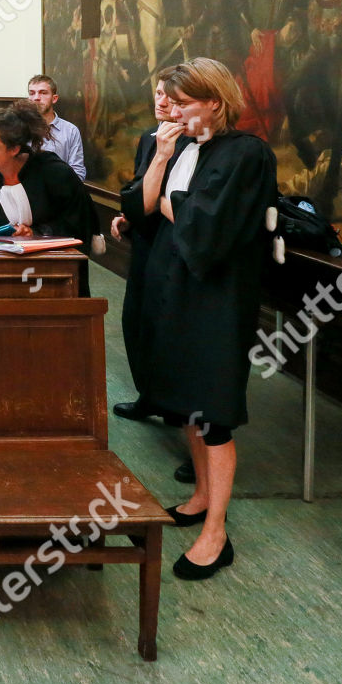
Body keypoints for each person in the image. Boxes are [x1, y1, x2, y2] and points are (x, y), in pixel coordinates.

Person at [132, 57, 277, 580]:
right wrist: (167, 175)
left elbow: (207, 228)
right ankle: (198, 495)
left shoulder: (246, 153)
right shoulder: (182, 148)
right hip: (175, 288)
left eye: (183, 101)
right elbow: (147, 207)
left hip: (217, 297)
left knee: (213, 411)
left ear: (214, 102)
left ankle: (217, 532)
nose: (172, 110)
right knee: (188, 400)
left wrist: (175, 201)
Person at [112, 67, 181, 427]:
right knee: (137, 321)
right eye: (157, 92)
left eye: (170, 94)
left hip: (175, 245)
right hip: (145, 241)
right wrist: (129, 217)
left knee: (169, 329)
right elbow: (141, 189)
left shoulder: (194, 143)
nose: (162, 100)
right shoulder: (148, 137)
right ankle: (149, 397)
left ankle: (182, 416)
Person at [0, 101, 95, 244]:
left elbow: (78, 223)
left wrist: (36, 233)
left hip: (53, 259)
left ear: (14, 149)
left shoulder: (54, 172)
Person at [27, 74, 87, 181]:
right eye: (32, 93)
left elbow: (78, 172)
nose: (36, 98)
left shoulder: (70, 131)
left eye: (43, 93)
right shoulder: (19, 128)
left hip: (61, 193)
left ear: (54, 99)